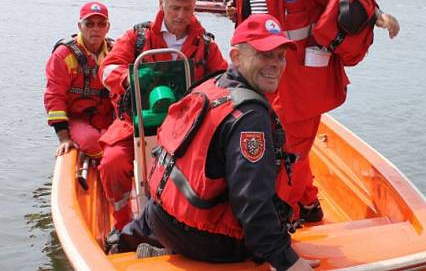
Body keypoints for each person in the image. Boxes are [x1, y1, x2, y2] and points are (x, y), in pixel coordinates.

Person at [227, 0, 400, 223]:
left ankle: (282, 224)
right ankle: (309, 205)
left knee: (286, 154)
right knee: (282, 143)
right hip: (261, 74)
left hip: (300, 82)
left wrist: (379, 15)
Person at [114, 14, 319, 271]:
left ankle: (126, 242)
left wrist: (139, 230)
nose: (276, 64)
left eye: (280, 56)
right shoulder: (250, 117)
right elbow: (252, 201)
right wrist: (287, 261)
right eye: (265, 55)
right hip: (209, 241)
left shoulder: (212, 86)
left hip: (161, 217)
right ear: (236, 57)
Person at [97, 0, 228, 236]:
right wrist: (128, 80)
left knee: (218, 164)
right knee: (112, 163)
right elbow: (107, 67)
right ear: (162, 5)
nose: (181, 15)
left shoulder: (206, 45)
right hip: (138, 122)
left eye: (187, 9)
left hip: (188, 127)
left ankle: (200, 223)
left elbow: (223, 81)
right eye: (175, 8)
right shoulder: (138, 37)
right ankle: (123, 224)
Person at [44, 1, 114, 158]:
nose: (95, 28)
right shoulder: (63, 55)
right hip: (78, 118)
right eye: (89, 24)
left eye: (101, 23)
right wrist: (64, 139)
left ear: (107, 27)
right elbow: (54, 97)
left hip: (108, 117)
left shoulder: (115, 52)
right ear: (79, 26)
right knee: (92, 143)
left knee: (120, 143)